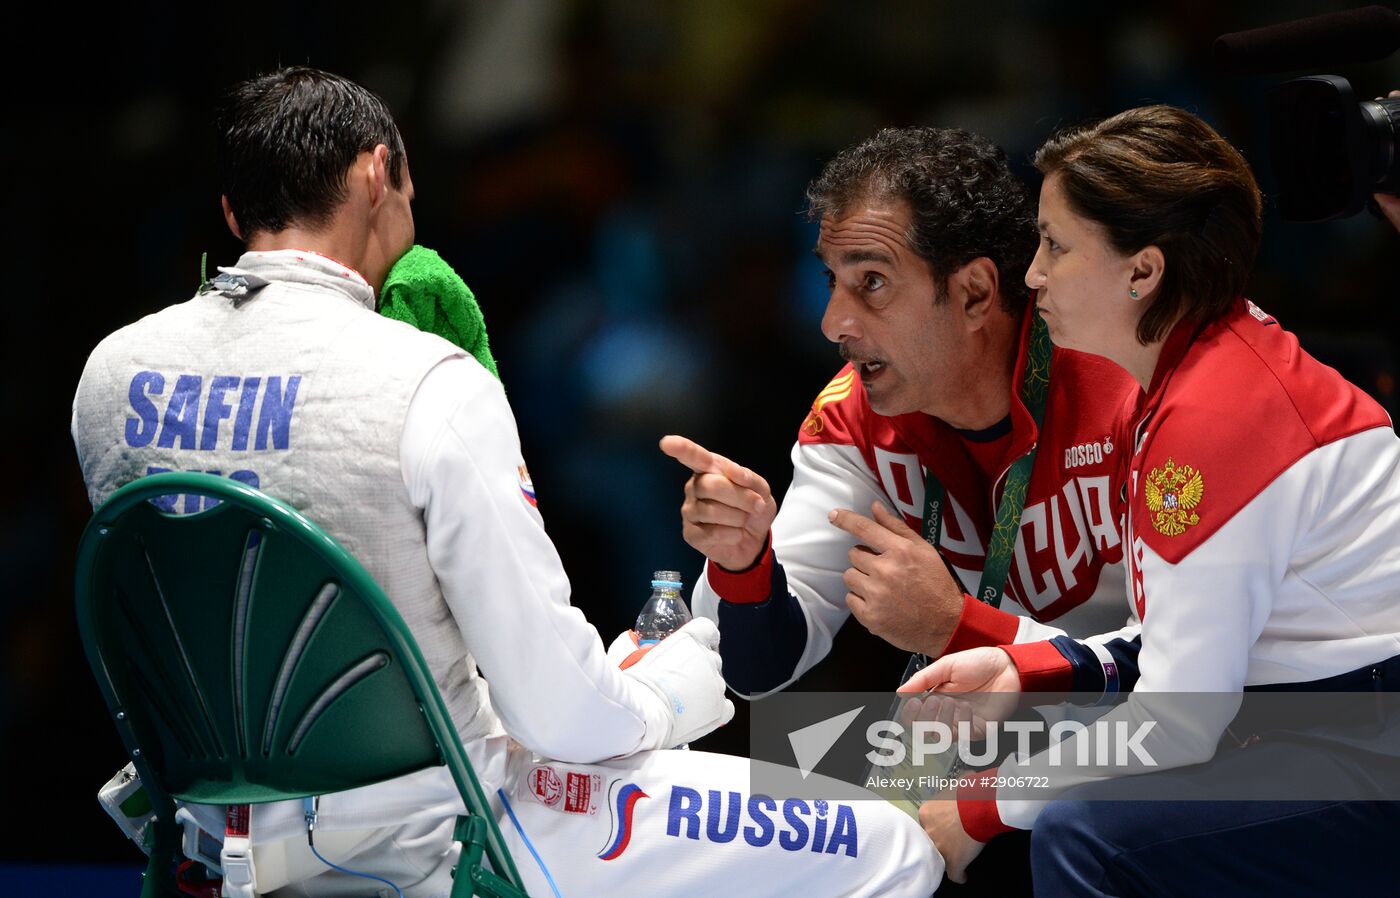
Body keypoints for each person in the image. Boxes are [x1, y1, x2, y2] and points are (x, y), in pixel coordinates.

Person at [71, 67, 940, 897]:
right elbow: (560, 718)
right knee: (893, 844)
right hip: (434, 833)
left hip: (200, 836)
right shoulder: (425, 380)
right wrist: (664, 683)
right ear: (381, 174)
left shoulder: (108, 377)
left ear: (233, 211)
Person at [906, 104, 1400, 896]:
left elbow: (1179, 719)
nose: (1031, 274)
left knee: (1086, 835)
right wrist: (1033, 668)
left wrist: (982, 809)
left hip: (1367, 751)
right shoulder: (1200, 364)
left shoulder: (1215, 416)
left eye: (1056, 246)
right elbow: (1186, 639)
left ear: (1143, 272)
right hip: (1324, 727)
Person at [662, 127, 1140, 701]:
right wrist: (744, 564)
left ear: (974, 295)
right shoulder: (853, 418)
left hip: (1162, 759)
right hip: (994, 749)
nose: (833, 322)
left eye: (873, 282)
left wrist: (958, 628)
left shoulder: (1130, 386)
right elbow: (755, 670)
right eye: (832, 281)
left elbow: (1196, 679)